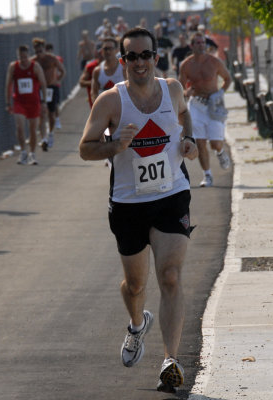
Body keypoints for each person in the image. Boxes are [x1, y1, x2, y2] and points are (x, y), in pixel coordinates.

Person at [79, 27, 198, 394]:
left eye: (146, 55)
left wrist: (190, 140)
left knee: (171, 276)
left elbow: (184, 116)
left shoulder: (172, 88)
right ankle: (136, 325)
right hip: (129, 203)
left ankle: (170, 362)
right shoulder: (111, 101)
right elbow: (86, 148)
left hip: (171, 195)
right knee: (136, 285)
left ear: (156, 58)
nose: (140, 62)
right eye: (132, 57)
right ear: (123, 61)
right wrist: (114, 146)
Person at [179, 32, 231, 187]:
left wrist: (220, 93)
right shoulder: (186, 65)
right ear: (192, 46)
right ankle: (207, 175)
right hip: (196, 106)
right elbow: (180, 87)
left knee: (216, 144)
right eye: (198, 43)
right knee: (200, 143)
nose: (201, 45)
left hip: (213, 105)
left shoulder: (214, 62)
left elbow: (227, 79)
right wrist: (186, 93)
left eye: (203, 43)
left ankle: (220, 152)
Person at [5, 44, 47, 165]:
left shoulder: (35, 67)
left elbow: (43, 84)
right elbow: (8, 85)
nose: (23, 60)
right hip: (19, 102)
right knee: (20, 127)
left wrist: (44, 102)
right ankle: (23, 152)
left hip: (34, 103)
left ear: (28, 56)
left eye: (24, 57)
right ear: (17, 56)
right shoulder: (13, 67)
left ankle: (32, 154)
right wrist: (8, 103)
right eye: (20, 57)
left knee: (33, 129)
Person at [32, 37, 66, 151]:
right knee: (42, 114)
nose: (39, 54)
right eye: (37, 52)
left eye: (40, 51)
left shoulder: (52, 59)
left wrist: (57, 80)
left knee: (51, 114)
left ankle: (50, 133)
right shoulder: (34, 61)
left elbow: (62, 71)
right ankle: (44, 139)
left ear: (44, 49)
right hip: (40, 89)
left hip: (51, 87)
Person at [91, 37, 125, 104]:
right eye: (105, 49)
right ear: (102, 51)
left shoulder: (124, 68)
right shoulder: (97, 71)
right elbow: (94, 93)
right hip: (106, 110)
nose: (108, 51)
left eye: (110, 48)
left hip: (123, 108)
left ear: (116, 50)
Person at [79, 44, 104, 109]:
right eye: (99, 53)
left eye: (103, 52)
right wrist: (94, 83)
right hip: (95, 102)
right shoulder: (91, 66)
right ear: (96, 53)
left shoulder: (115, 66)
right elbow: (81, 82)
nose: (102, 55)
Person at [45, 43, 63, 129]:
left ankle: (57, 119)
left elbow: (61, 70)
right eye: (47, 51)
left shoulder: (56, 59)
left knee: (55, 104)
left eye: (50, 51)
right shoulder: (43, 60)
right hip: (45, 86)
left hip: (55, 85)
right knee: (46, 106)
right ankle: (50, 122)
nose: (49, 52)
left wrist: (57, 79)